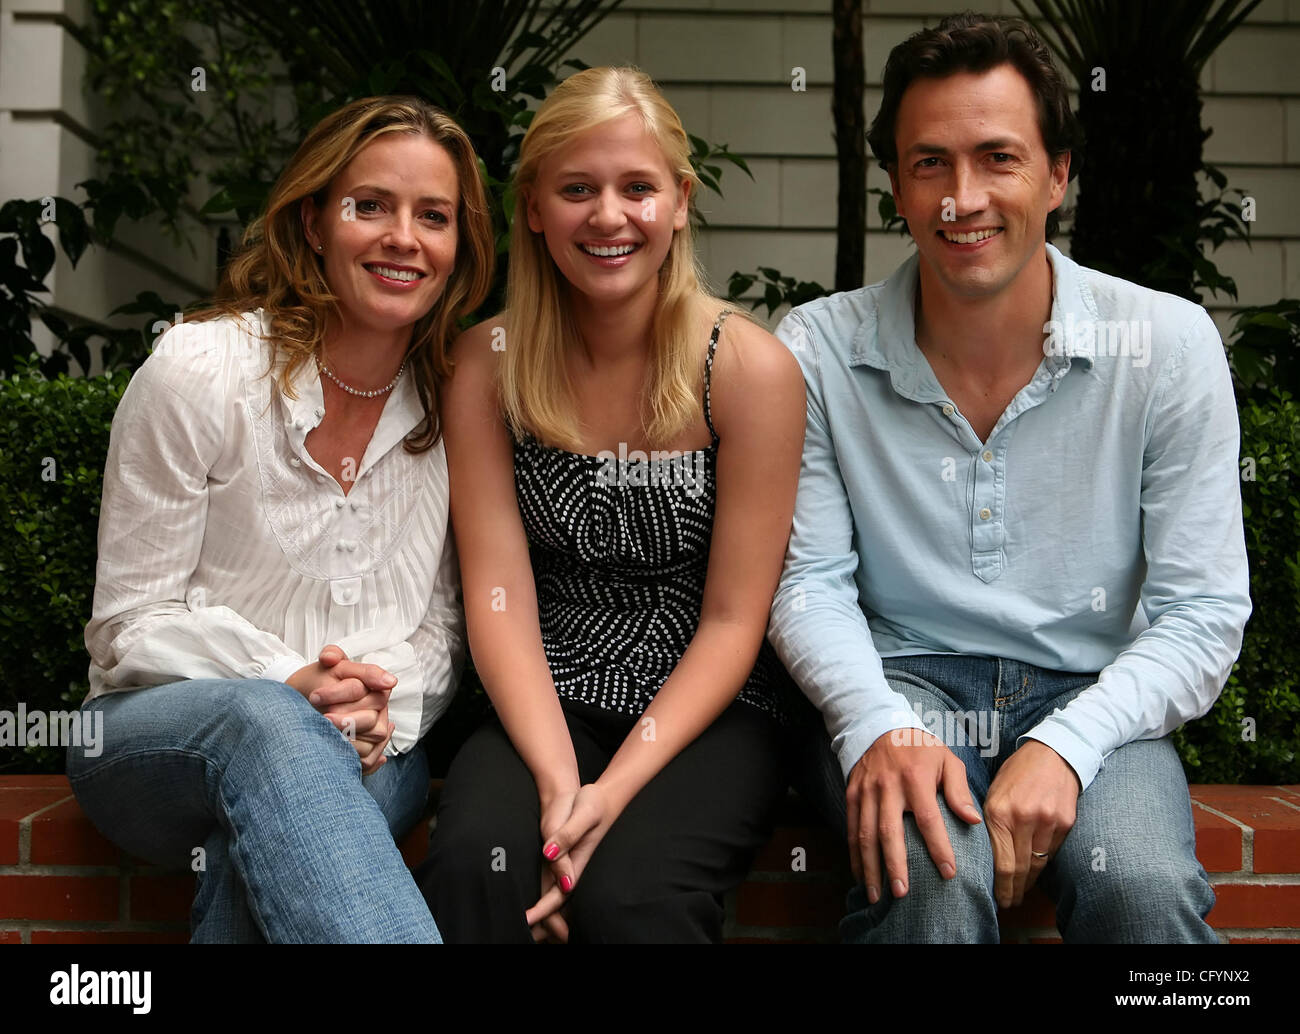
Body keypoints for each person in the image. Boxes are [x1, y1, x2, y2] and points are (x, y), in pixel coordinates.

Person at [768, 12, 1251, 943]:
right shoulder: (820, 349)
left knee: (1143, 887)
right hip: (898, 681)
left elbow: (1202, 613)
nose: (963, 197)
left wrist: (1065, 748)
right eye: (929, 164)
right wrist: (874, 723)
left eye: (999, 157)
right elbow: (807, 583)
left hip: (1095, 692)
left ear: (1058, 175)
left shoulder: (1165, 344)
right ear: (897, 189)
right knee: (934, 879)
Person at [67, 95, 495, 943]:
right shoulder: (202, 371)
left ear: (459, 245)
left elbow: (447, 628)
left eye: (433, 216)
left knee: (283, 818)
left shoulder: (459, 406)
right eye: (369, 206)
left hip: (375, 743)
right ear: (312, 222)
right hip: (156, 738)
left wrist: (370, 706)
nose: (403, 237)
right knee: (270, 725)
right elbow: (128, 625)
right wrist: (291, 684)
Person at [417, 66, 806, 943]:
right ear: (533, 207)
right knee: (476, 862)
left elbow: (735, 620)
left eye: (638, 187)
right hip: (544, 690)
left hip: (713, 704)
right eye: (578, 189)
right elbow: (498, 591)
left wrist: (610, 795)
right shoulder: (487, 364)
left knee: (633, 901)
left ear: (680, 202)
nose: (608, 216)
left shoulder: (748, 372)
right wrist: (560, 787)